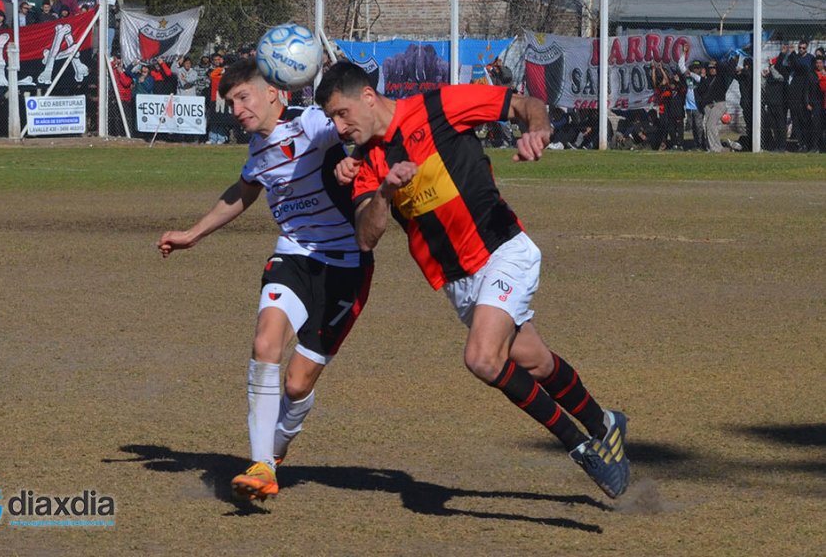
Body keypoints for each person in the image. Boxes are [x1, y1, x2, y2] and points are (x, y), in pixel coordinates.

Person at [314, 62, 630, 499]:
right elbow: (365, 239)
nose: (339, 126)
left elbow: (525, 103)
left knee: (482, 357)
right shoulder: (366, 164)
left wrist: (537, 129)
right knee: (535, 362)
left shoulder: (439, 105)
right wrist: (384, 192)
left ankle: (579, 446)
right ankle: (605, 424)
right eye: (331, 119)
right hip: (458, 282)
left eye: (342, 113)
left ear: (368, 96)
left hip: (502, 249)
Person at [157, 58, 374, 502]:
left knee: (296, 385)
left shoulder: (313, 124)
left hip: (345, 267)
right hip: (292, 256)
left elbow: (363, 129)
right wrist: (192, 234)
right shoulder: (258, 151)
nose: (236, 109)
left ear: (273, 91)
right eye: (230, 102)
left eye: (243, 97)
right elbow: (242, 192)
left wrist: (357, 164)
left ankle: (274, 451)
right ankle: (261, 464)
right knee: (265, 342)